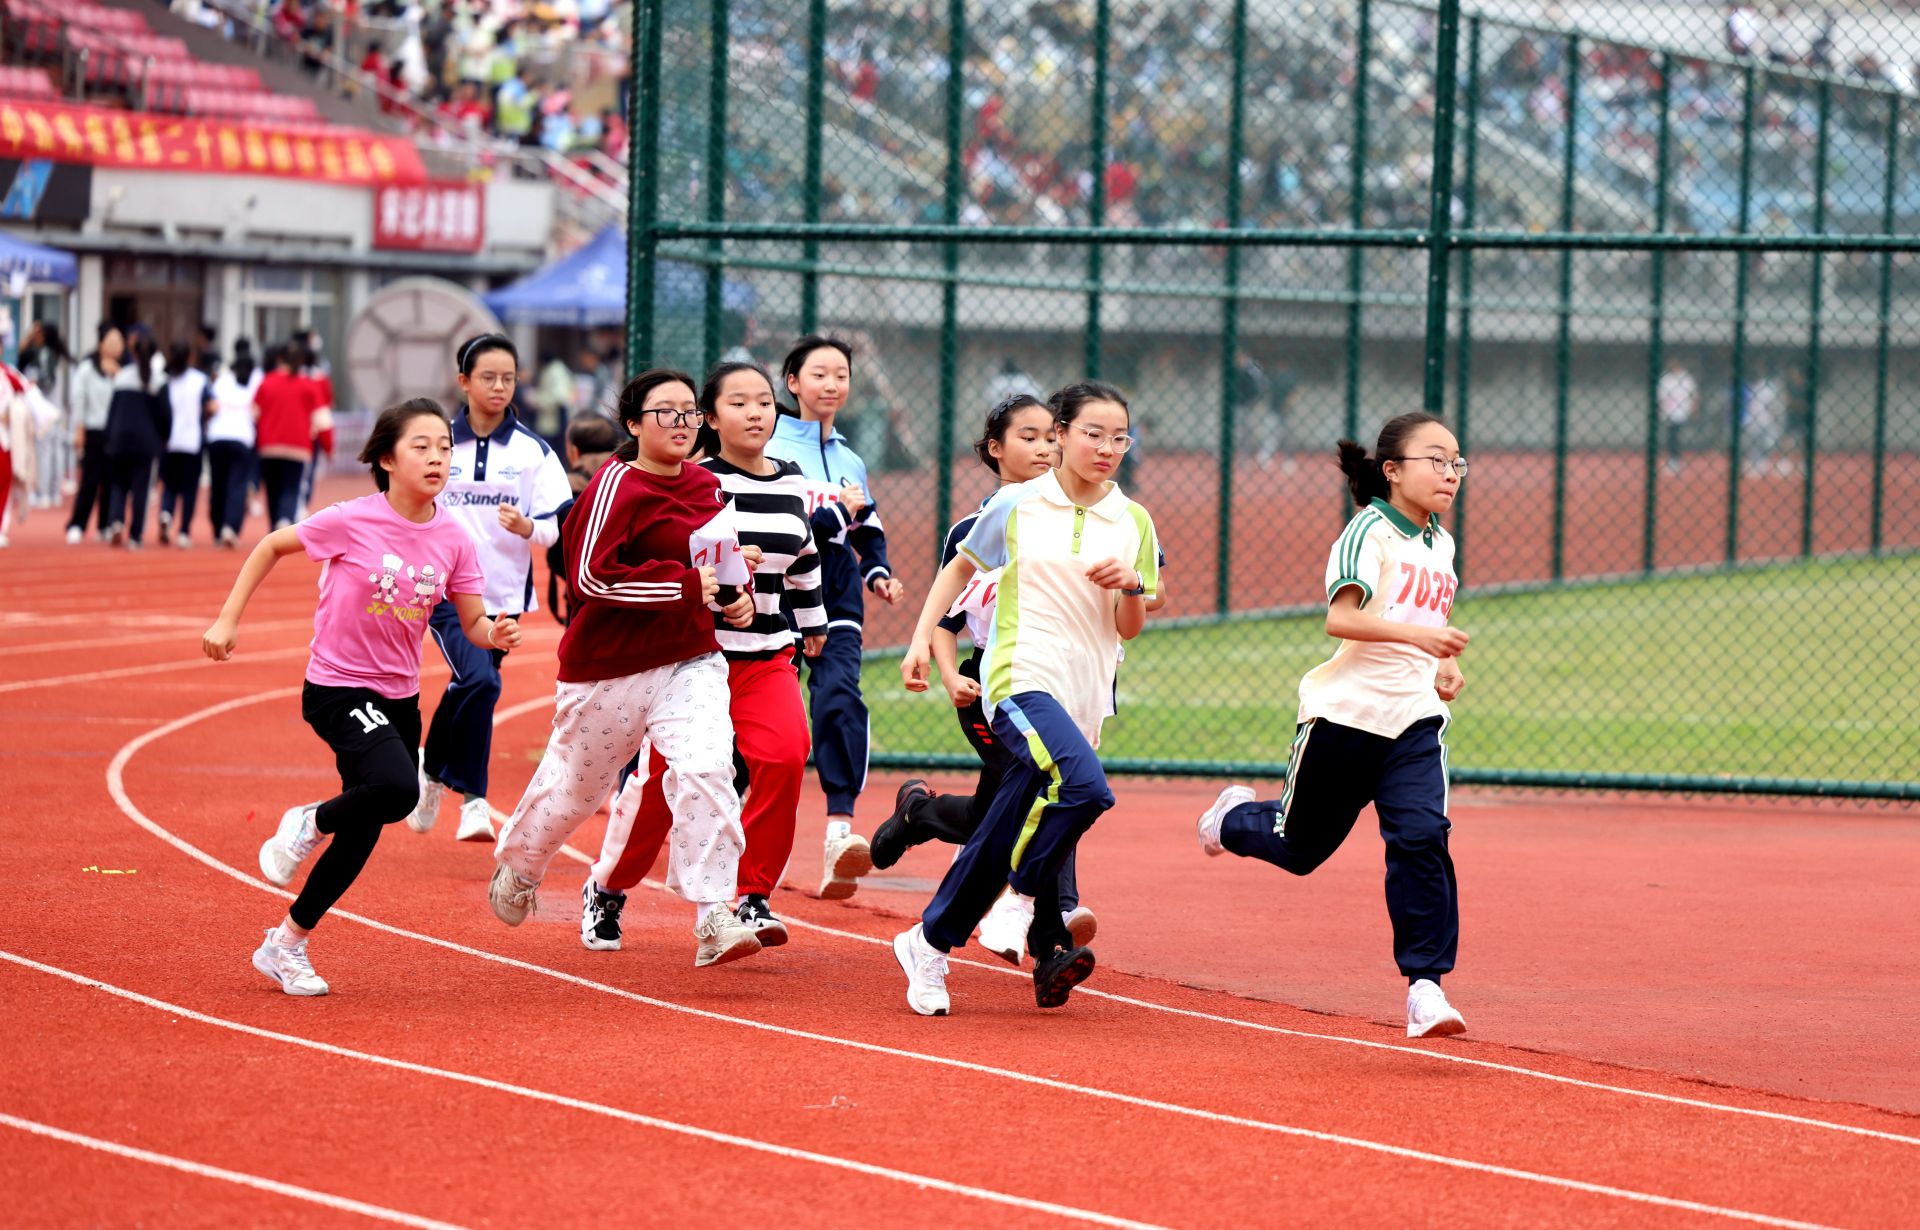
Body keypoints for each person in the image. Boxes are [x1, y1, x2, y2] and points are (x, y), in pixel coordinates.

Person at [202, 398, 518, 996]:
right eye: (421, 446)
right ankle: (308, 821)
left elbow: (473, 622)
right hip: (337, 685)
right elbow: (271, 545)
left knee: (369, 822)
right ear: (386, 459)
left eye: (444, 447)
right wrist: (227, 619)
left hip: (399, 696)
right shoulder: (351, 520)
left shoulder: (454, 537)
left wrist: (493, 633)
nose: (437, 457)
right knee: (399, 789)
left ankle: (285, 943)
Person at [1195, 411, 1472, 1040]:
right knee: (1299, 850)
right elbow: (1341, 619)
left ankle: (1425, 988)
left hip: (1414, 721)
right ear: (1392, 470)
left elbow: (1424, 621)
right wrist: (1423, 640)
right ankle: (1230, 818)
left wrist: (1444, 662)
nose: (1450, 473)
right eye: (1435, 460)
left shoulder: (1441, 544)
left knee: (1423, 837)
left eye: (1456, 462)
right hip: (1344, 718)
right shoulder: (1367, 531)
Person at [894, 380, 1161, 1015]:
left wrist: (1132, 586)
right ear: (1063, 434)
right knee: (1086, 789)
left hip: (1084, 693)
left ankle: (927, 942)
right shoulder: (1018, 503)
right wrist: (918, 640)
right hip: (1020, 676)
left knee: (1003, 826)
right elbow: (959, 569)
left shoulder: (1134, 520)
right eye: (1093, 434)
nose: (1107, 448)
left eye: (1119, 438)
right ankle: (1023, 898)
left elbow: (1130, 626)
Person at [487, 369, 763, 969]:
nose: (682, 423)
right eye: (666, 412)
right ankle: (522, 865)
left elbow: (714, 566)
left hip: (690, 659)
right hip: (607, 670)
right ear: (634, 424)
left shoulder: (707, 487)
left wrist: (734, 594)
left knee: (707, 770)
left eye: (690, 412)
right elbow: (588, 576)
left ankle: (714, 912)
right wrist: (685, 587)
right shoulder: (615, 485)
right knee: (576, 791)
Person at [585, 361, 827, 951]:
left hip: (767, 655)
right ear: (710, 418)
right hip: (695, 659)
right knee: (662, 790)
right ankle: (608, 887)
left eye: (764, 401)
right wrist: (723, 579)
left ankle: (752, 897)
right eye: (738, 403)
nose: (755, 413)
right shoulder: (695, 483)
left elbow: (805, 558)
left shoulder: (793, 482)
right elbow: (672, 562)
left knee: (785, 757)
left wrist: (815, 623)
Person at [408, 334, 571, 844]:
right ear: (464, 381)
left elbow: (559, 525)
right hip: (445, 591)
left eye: (508, 378)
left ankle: (432, 770)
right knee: (481, 681)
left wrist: (528, 527)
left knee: (472, 683)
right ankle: (474, 801)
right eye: (488, 377)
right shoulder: (436, 442)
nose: (499, 387)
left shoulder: (534, 452)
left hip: (503, 595)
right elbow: (404, 503)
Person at [764, 335, 904, 899]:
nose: (831, 384)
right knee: (767, 717)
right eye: (819, 374)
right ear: (793, 382)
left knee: (839, 698)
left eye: (841, 375)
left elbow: (865, 525)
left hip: (838, 594)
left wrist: (878, 571)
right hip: (776, 593)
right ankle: (741, 832)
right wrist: (834, 518)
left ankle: (839, 836)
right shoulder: (767, 446)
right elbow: (786, 530)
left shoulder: (850, 458)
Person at [543, 412, 622, 626]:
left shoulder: (564, 491)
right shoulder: (632, 480)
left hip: (582, 604)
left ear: (574, 451)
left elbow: (557, 557)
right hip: (632, 601)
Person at [102, 332, 168, 550]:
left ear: (133, 352)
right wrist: (163, 439)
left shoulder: (122, 377)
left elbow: (112, 412)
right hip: (145, 443)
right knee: (141, 489)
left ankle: (116, 521)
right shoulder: (159, 380)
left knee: (118, 484)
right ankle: (135, 535)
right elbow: (166, 415)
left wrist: (108, 437)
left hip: (120, 439)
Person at [253, 343, 321, 531]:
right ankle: (284, 517)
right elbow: (320, 419)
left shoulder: (267, 382)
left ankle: (275, 523)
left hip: (269, 446)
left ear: (281, 359)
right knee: (291, 487)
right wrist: (327, 445)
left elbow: (254, 413)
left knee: (272, 488)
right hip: (298, 446)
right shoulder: (308, 385)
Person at [65, 323, 122, 544]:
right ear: (100, 344)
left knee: (111, 481)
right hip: (93, 430)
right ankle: (77, 524)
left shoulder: (124, 371)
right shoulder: (87, 369)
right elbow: (78, 400)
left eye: (119, 341)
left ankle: (104, 525)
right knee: (90, 480)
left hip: (115, 433)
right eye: (111, 341)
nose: (116, 346)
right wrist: (79, 430)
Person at [158, 341, 215, 548]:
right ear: (189, 356)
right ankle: (183, 531)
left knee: (170, 486)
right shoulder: (200, 380)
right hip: (193, 442)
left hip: (170, 442)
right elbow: (212, 406)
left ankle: (166, 512)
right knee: (189, 489)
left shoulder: (166, 381)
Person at [206, 340, 261, 548]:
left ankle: (217, 527)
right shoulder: (256, 382)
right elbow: (258, 412)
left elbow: (212, 406)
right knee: (237, 485)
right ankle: (230, 527)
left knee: (218, 484)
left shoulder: (222, 380)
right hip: (242, 439)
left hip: (217, 437)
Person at [21, 321, 70, 509]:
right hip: (58, 408)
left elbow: (48, 380)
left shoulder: (45, 353)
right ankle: (54, 491)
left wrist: (35, 382)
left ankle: (44, 492)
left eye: (38, 333)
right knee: (56, 449)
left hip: (46, 408)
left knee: (45, 450)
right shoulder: (58, 354)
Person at [1658, 355, 1697, 474]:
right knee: (1671, 436)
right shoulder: (1666, 379)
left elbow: (1693, 394)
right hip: (1669, 412)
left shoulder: (1686, 378)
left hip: (1681, 411)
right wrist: (1661, 409)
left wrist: (1693, 407)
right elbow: (1661, 396)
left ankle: (1675, 460)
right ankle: (1673, 460)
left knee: (1675, 436)